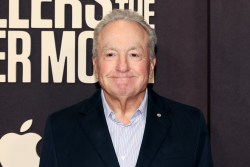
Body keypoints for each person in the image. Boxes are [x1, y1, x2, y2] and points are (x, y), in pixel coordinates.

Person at [39, 9, 213, 167]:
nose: (122, 66)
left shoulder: (189, 125)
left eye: (134, 54)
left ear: (151, 65)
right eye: (110, 54)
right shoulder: (61, 128)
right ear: (96, 66)